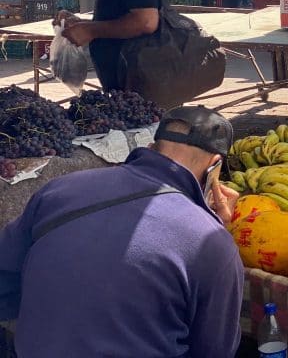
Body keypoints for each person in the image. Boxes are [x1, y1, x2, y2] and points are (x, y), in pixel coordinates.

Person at [0, 106, 244, 357]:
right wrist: (216, 229)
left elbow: (4, 282)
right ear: (215, 166)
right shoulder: (211, 242)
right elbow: (216, 349)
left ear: (151, 147)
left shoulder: (58, 189)